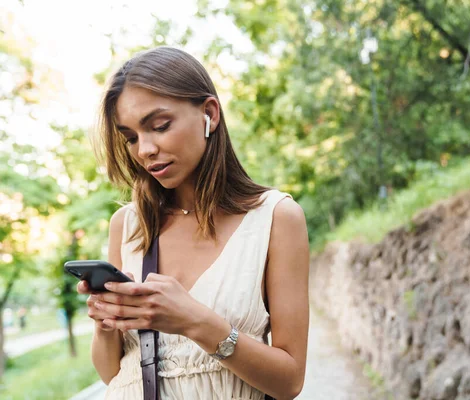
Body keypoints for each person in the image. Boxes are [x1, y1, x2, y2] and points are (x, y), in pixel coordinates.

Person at [77, 46, 310, 400]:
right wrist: (106, 324)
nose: (145, 150)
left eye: (159, 126)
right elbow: (114, 374)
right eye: (131, 138)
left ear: (210, 114)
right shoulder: (127, 225)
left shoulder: (275, 218)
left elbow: (289, 382)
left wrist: (195, 322)